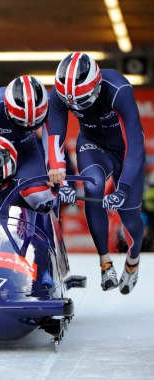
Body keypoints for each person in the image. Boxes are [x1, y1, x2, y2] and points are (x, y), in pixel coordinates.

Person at [47, 51, 146, 295]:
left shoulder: (119, 89)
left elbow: (135, 143)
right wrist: (60, 179)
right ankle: (105, 262)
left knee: (129, 216)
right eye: (73, 104)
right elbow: (54, 139)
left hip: (126, 151)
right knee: (93, 188)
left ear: (97, 84)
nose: (77, 107)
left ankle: (132, 261)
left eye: (82, 100)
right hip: (93, 146)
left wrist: (123, 189)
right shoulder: (59, 94)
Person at [0, 75, 49, 179]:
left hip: (26, 151)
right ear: (7, 110)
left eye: (35, 123)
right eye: (20, 122)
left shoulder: (50, 102)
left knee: (37, 192)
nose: (26, 128)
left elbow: (54, 142)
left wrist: (58, 175)